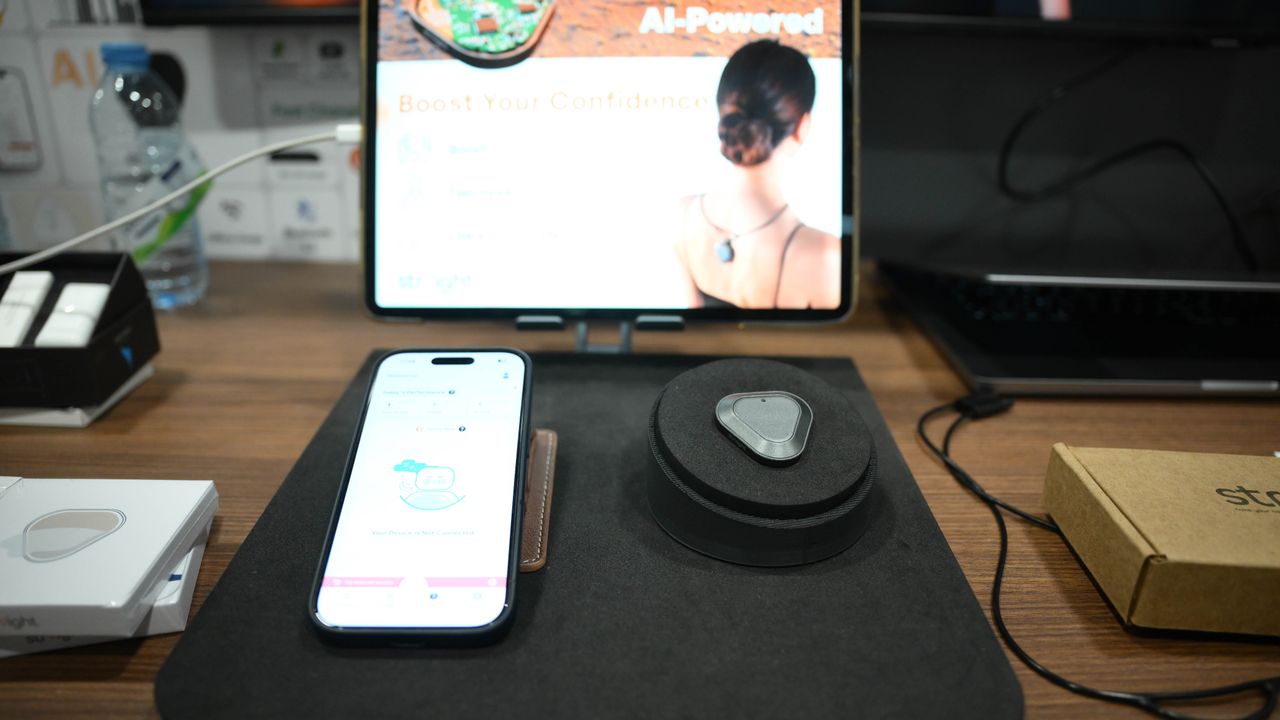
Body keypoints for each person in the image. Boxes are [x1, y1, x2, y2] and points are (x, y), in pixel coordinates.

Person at [674, 40, 841, 309]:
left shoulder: (682, 216)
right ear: (802, 127)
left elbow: (694, 329)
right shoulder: (825, 256)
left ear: (724, 114)